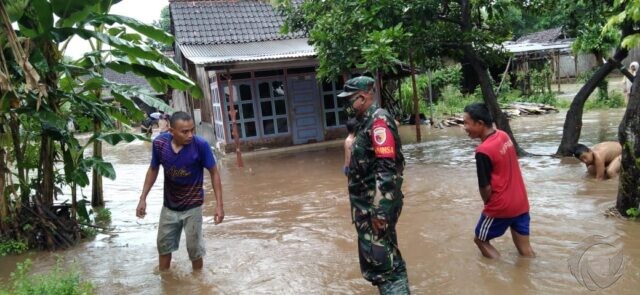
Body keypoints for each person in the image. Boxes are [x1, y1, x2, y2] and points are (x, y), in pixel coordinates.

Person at [338, 76, 409, 294]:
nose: (346, 105)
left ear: (363, 97)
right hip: (367, 207)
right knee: (387, 259)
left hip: (375, 208)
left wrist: (380, 211)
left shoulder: (379, 122)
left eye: (348, 100)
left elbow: (387, 169)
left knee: (381, 266)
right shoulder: (365, 123)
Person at [136, 111, 224, 271]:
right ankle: (166, 282)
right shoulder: (160, 144)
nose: (190, 135)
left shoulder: (200, 145)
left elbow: (214, 172)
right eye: (185, 132)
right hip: (169, 207)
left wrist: (219, 205)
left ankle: (199, 284)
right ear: (172, 131)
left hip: (193, 207)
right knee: (163, 248)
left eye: (192, 130)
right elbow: (153, 169)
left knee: (194, 251)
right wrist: (143, 198)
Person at [462, 102, 535, 259]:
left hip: (501, 206)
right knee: (525, 249)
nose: (464, 128)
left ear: (480, 123)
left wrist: (488, 206)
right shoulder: (504, 135)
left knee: (480, 240)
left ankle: (499, 274)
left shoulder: (483, 151)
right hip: (521, 202)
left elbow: (485, 187)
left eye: (466, 123)